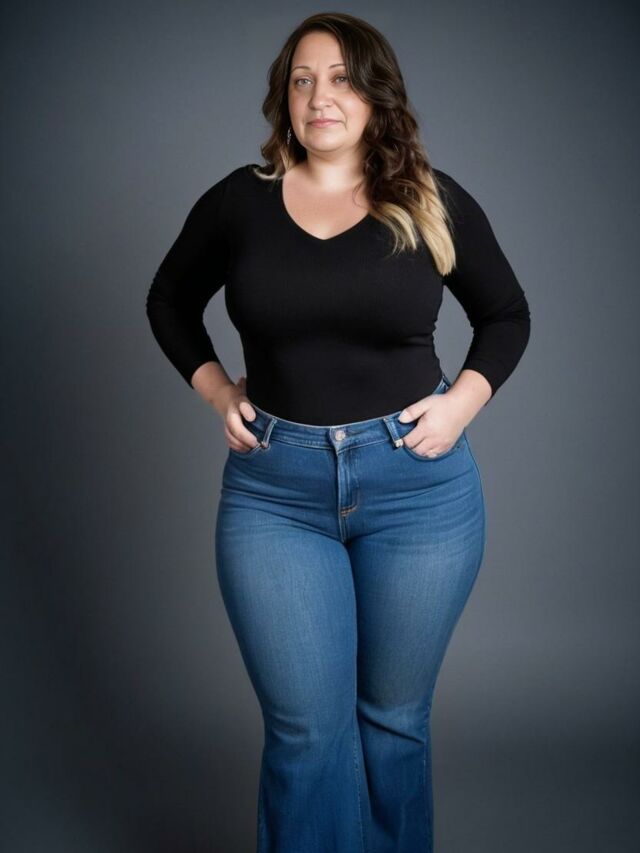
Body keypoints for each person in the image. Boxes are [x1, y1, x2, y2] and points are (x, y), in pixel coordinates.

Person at [145, 12, 530, 853]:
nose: (321, 96)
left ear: (376, 94)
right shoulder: (239, 202)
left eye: (343, 77)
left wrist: (461, 403)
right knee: (305, 732)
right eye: (303, 79)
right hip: (276, 494)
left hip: (417, 492)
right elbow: (168, 299)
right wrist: (216, 389)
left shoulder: (428, 198)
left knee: (393, 721)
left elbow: (505, 314)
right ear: (284, 100)